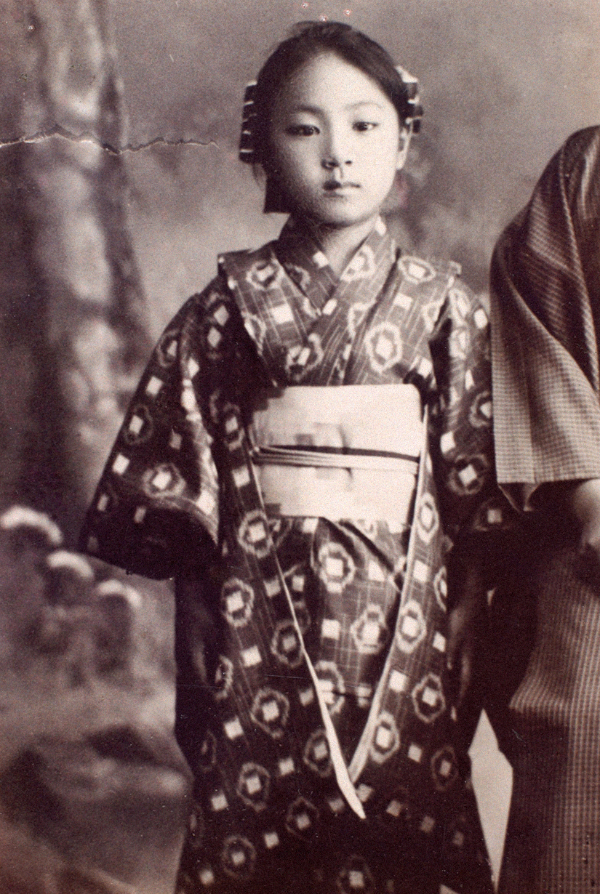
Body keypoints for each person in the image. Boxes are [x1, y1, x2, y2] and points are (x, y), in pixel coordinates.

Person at [80, 21, 509, 894]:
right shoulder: (226, 309)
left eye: (363, 126)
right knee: (258, 818)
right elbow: (180, 481)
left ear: (402, 143)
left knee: (403, 807)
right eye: (303, 129)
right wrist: (193, 610)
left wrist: (469, 607)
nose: (338, 156)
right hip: (256, 605)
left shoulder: (443, 309)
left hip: (409, 615)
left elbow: (478, 478)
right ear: (263, 148)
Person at [488, 125, 600, 894]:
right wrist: (591, 492)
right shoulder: (589, 171)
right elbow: (542, 321)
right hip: (598, 528)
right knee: (579, 746)